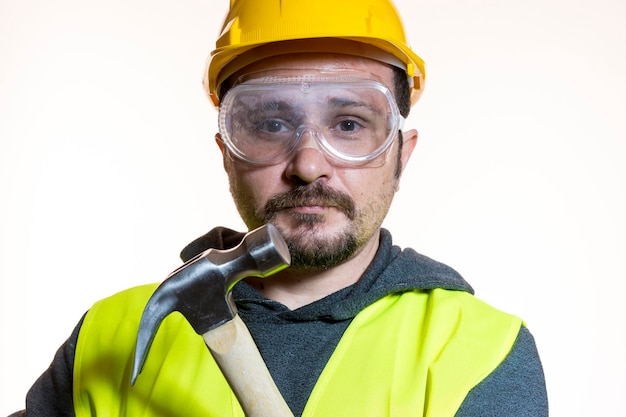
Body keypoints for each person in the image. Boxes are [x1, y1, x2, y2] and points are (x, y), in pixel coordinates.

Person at [10, 0, 548, 416]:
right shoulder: (110, 335)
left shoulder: (478, 352)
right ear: (226, 154)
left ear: (400, 156)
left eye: (349, 124)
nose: (309, 163)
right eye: (270, 123)